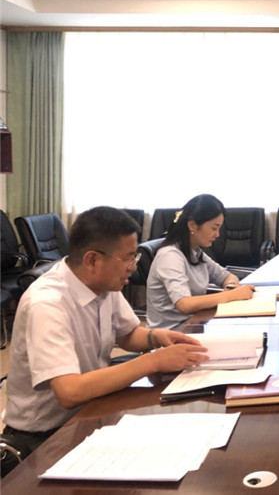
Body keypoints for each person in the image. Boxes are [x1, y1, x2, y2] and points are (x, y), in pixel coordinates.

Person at [2, 207, 209, 458]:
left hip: (92, 408)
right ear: (92, 260)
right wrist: (153, 361)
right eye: (129, 258)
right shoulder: (47, 304)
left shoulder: (103, 284)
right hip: (43, 436)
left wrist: (155, 338)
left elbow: (127, 335)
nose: (133, 267)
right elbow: (70, 391)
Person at [147, 194, 255, 330]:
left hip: (195, 323)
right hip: (170, 333)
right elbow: (184, 304)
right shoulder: (170, 256)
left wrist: (231, 287)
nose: (217, 234)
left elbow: (227, 277)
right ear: (192, 225)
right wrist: (230, 295)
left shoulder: (195, 251)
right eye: (214, 228)